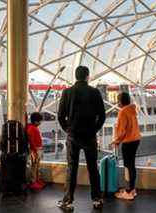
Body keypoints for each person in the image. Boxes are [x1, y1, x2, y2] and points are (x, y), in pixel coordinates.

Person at [57, 66, 106, 211]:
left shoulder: (67, 92)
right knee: (93, 168)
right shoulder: (95, 92)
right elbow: (102, 116)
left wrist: (68, 130)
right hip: (89, 136)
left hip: (73, 136)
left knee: (72, 168)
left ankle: (68, 201)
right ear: (87, 76)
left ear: (75, 76)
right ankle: (97, 199)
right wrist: (94, 129)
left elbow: (60, 116)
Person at [110, 92, 141, 200]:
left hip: (128, 141)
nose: (117, 103)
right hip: (136, 139)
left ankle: (129, 192)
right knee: (131, 165)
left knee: (128, 165)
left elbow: (122, 131)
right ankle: (132, 190)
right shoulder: (132, 109)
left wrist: (116, 141)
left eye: (118, 101)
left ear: (120, 101)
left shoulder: (123, 112)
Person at [26, 112, 45, 190]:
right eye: (39, 121)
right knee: (34, 166)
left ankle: (37, 180)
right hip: (35, 150)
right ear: (36, 121)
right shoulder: (31, 128)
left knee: (37, 166)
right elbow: (31, 140)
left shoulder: (34, 128)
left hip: (38, 149)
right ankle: (33, 182)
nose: (40, 123)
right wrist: (34, 150)